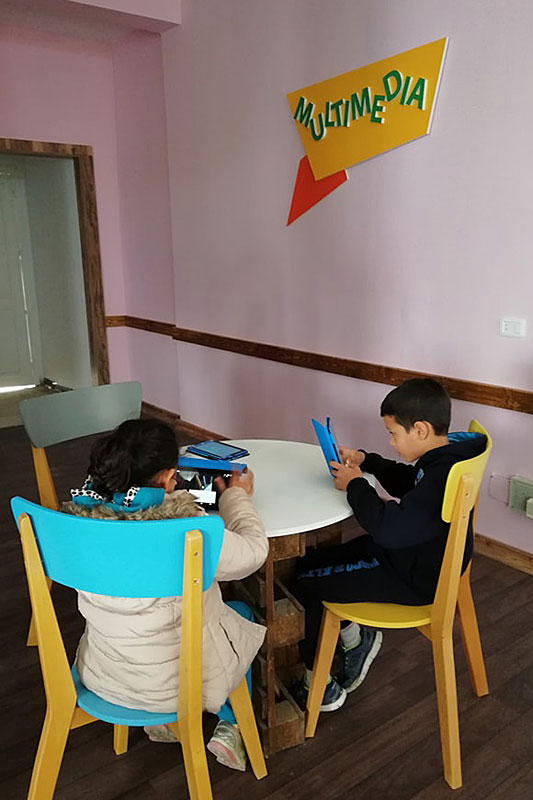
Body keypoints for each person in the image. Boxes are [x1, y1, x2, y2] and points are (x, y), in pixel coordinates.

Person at [62, 419, 269, 772]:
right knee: (240, 615)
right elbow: (253, 552)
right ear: (164, 477)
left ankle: (160, 722)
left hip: (103, 674)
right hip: (177, 689)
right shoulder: (188, 532)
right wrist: (237, 495)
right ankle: (231, 726)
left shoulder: (75, 523)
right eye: (174, 477)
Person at [293, 378, 486, 712]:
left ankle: (320, 685)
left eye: (393, 433)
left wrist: (356, 486)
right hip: (411, 558)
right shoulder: (447, 457)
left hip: (410, 576)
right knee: (308, 562)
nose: (392, 442)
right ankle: (357, 639)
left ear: (421, 430)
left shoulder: (440, 478)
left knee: (305, 583)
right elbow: (410, 483)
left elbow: (387, 529)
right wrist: (367, 461)